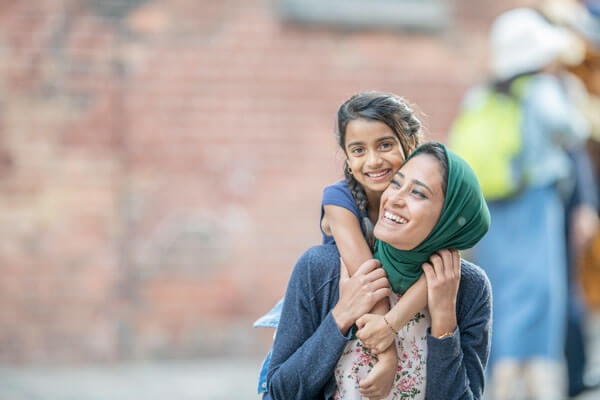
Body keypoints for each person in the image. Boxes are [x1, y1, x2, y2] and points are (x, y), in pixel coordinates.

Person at [267, 142, 492, 400]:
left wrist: (444, 323)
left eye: (418, 193)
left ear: (449, 218)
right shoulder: (321, 268)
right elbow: (280, 392)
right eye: (396, 183)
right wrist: (340, 316)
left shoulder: (468, 288)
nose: (394, 198)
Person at [256, 92, 433, 396]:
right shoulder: (340, 200)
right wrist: (388, 355)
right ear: (348, 159)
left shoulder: (427, 200)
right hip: (330, 320)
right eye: (358, 150)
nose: (373, 160)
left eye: (385, 145)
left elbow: (442, 268)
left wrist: (394, 324)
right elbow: (368, 276)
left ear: (412, 145)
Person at [463, 8, 590, 399]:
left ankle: (498, 376)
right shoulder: (542, 90)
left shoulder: (484, 94)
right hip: (535, 202)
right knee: (538, 292)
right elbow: (574, 128)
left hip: (494, 206)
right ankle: (526, 381)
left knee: (499, 289)